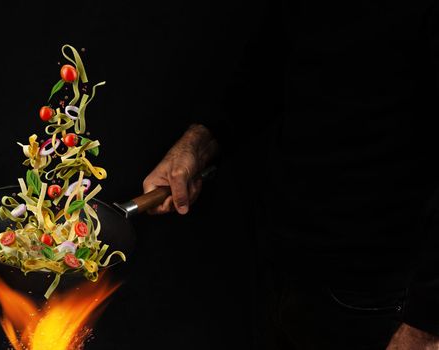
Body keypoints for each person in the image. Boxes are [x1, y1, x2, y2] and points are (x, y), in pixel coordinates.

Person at [142, 1, 439, 349]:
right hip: (285, 261)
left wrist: (426, 326)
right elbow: (270, 61)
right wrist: (198, 142)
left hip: (380, 292)